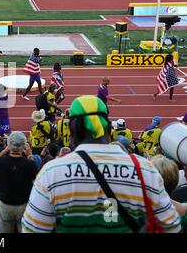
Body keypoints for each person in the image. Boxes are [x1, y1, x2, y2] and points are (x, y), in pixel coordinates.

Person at [22, 95, 181, 233]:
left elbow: (32, 229)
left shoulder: (51, 172)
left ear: (72, 129)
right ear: (109, 126)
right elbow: (172, 226)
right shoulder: (146, 169)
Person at [0, 132, 38, 233]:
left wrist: (5, 150)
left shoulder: (1, 162)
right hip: (24, 206)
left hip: (6, 205)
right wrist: (30, 155)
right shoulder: (30, 164)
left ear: (9, 145)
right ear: (23, 146)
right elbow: (37, 180)